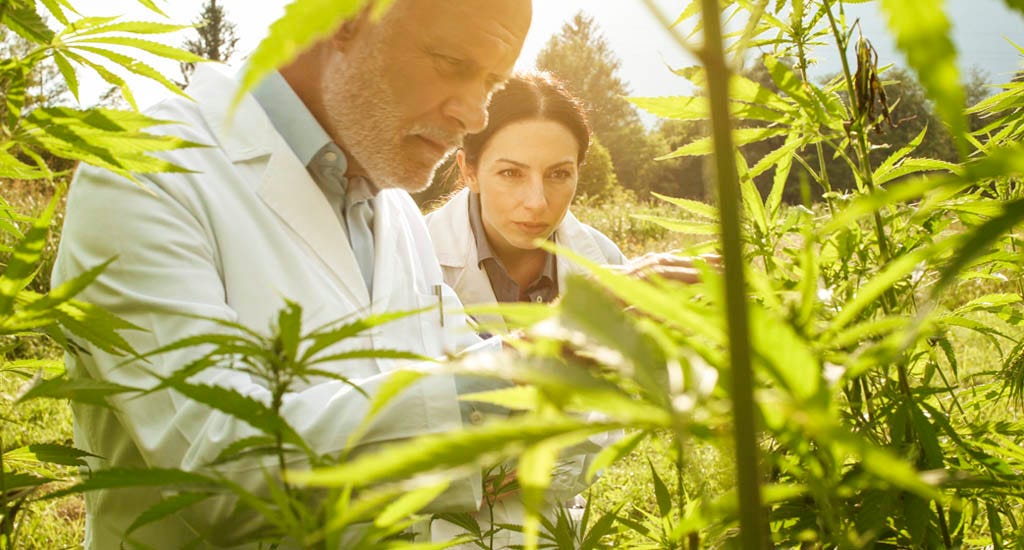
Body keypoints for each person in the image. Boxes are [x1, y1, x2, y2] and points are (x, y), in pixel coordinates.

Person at [50, 0, 531, 547]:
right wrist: (516, 372)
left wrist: (584, 352)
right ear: (346, 20)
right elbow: (217, 473)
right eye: (452, 62)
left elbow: (466, 397)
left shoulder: (393, 210)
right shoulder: (149, 172)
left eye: (492, 84)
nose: (476, 116)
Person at [426, 73, 627, 334]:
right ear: (469, 172)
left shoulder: (607, 260)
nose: (537, 202)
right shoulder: (415, 257)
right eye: (511, 173)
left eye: (559, 174)